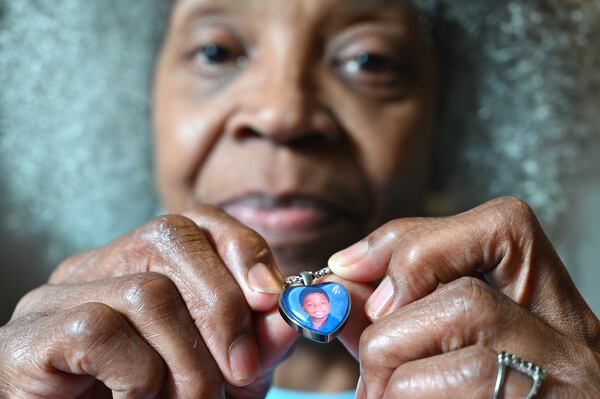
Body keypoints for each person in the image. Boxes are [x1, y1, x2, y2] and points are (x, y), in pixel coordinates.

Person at [0, 0, 598, 398]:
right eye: (216, 52)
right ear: (135, 100)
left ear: (455, 123)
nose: (283, 114)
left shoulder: (555, 375)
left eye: (367, 61)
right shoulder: (64, 380)